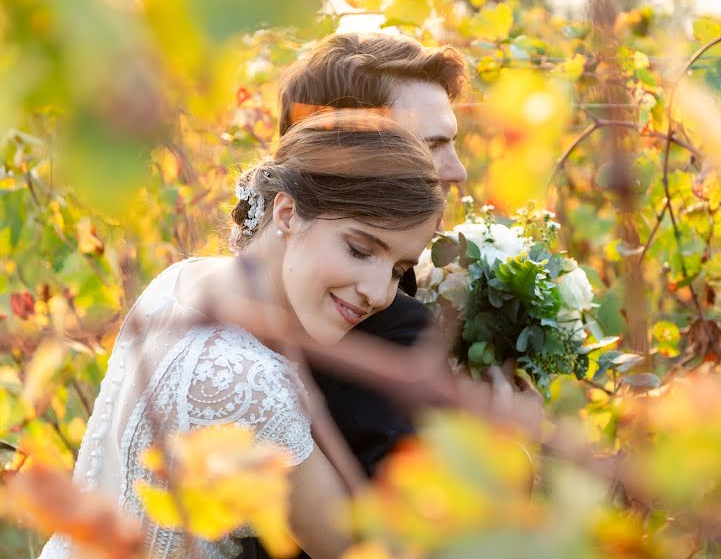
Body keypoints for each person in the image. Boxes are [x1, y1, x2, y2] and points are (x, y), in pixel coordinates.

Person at [37, 110, 447, 559]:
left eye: (398, 270)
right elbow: (358, 550)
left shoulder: (178, 281)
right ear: (287, 212)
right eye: (360, 249)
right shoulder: (249, 383)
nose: (378, 293)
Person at [238, 32, 541, 559]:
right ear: (352, 148)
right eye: (430, 146)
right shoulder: (377, 326)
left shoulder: (229, 287)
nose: (457, 170)